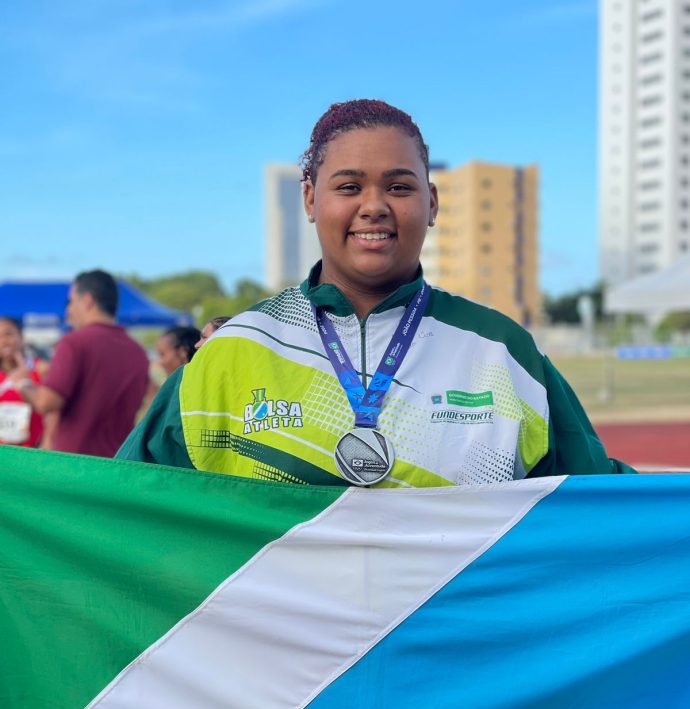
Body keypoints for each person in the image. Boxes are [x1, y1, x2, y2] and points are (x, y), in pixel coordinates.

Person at [118, 99, 633, 484]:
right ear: (310, 199)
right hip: (280, 632)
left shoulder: (503, 351)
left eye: (399, 186)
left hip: (444, 630)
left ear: (431, 203)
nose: (374, 206)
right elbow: (121, 508)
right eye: (348, 187)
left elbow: (598, 512)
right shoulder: (235, 351)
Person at [12, 269, 149, 458]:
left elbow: (46, 402)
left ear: (87, 300)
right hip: (119, 466)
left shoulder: (74, 342)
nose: (68, 310)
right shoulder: (138, 352)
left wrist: (23, 382)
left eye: (70, 301)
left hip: (76, 467)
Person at [0, 317, 45, 447]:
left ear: (21, 337)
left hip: (34, 453)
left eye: (8, 334)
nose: (4, 341)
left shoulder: (41, 369)